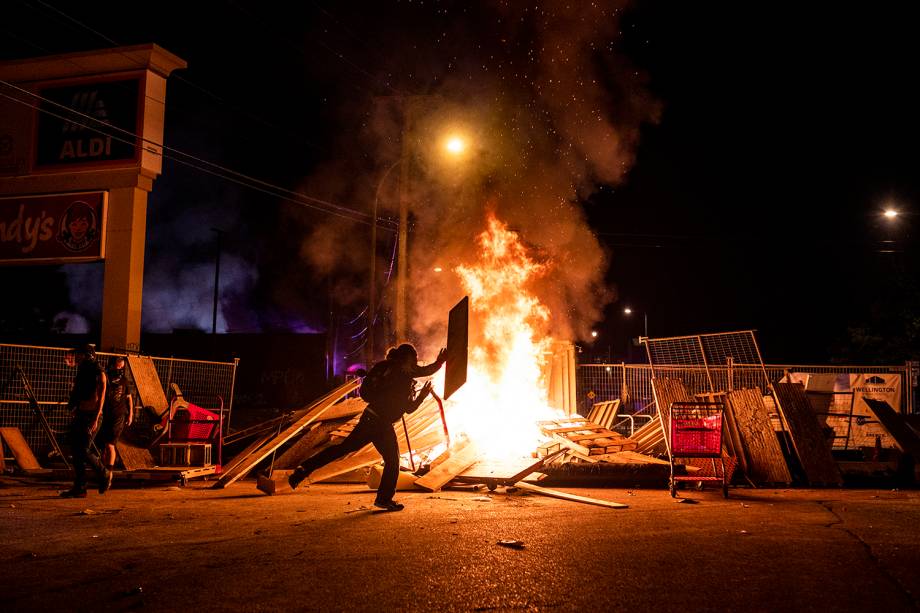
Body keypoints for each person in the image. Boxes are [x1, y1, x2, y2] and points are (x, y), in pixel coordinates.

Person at [285, 343, 446, 511]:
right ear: (406, 358)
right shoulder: (401, 370)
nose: (416, 363)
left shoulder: (388, 370)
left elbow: (408, 408)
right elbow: (423, 375)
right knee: (392, 460)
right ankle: (384, 499)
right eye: (414, 359)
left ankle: (304, 469)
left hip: (370, 418)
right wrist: (440, 362)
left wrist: (421, 394)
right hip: (381, 423)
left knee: (343, 448)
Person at [60, 344, 111, 498]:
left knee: (83, 449)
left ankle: (104, 473)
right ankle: (80, 487)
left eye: (79, 354)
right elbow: (80, 391)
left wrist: (96, 418)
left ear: (86, 355)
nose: (76, 357)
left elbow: (101, 397)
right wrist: (74, 407)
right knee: (76, 451)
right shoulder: (83, 371)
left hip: (91, 416)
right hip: (81, 414)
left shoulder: (98, 371)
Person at [97, 356, 133, 476]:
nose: (120, 369)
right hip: (105, 414)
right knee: (103, 446)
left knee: (110, 444)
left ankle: (109, 473)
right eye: (118, 366)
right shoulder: (106, 377)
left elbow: (129, 398)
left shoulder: (124, 380)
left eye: (122, 367)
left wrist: (131, 414)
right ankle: (102, 471)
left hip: (118, 415)